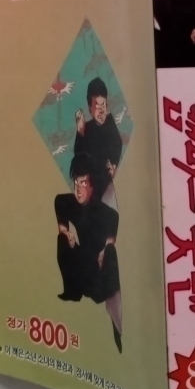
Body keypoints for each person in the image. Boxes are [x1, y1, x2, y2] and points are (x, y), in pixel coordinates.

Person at [54, 153, 123, 352]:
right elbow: (59, 202)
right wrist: (65, 230)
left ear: (93, 186)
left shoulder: (107, 214)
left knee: (110, 252)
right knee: (62, 239)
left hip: (97, 274)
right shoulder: (69, 203)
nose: (78, 188)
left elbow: (111, 238)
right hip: (80, 268)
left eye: (83, 183)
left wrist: (105, 250)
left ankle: (111, 314)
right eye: (76, 182)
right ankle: (72, 292)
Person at [73, 77, 122, 209]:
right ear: (90, 108)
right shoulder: (86, 129)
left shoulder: (110, 124)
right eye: (97, 105)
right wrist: (80, 132)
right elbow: (78, 157)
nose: (101, 110)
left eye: (103, 105)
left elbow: (117, 144)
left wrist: (114, 165)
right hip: (90, 188)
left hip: (106, 185)